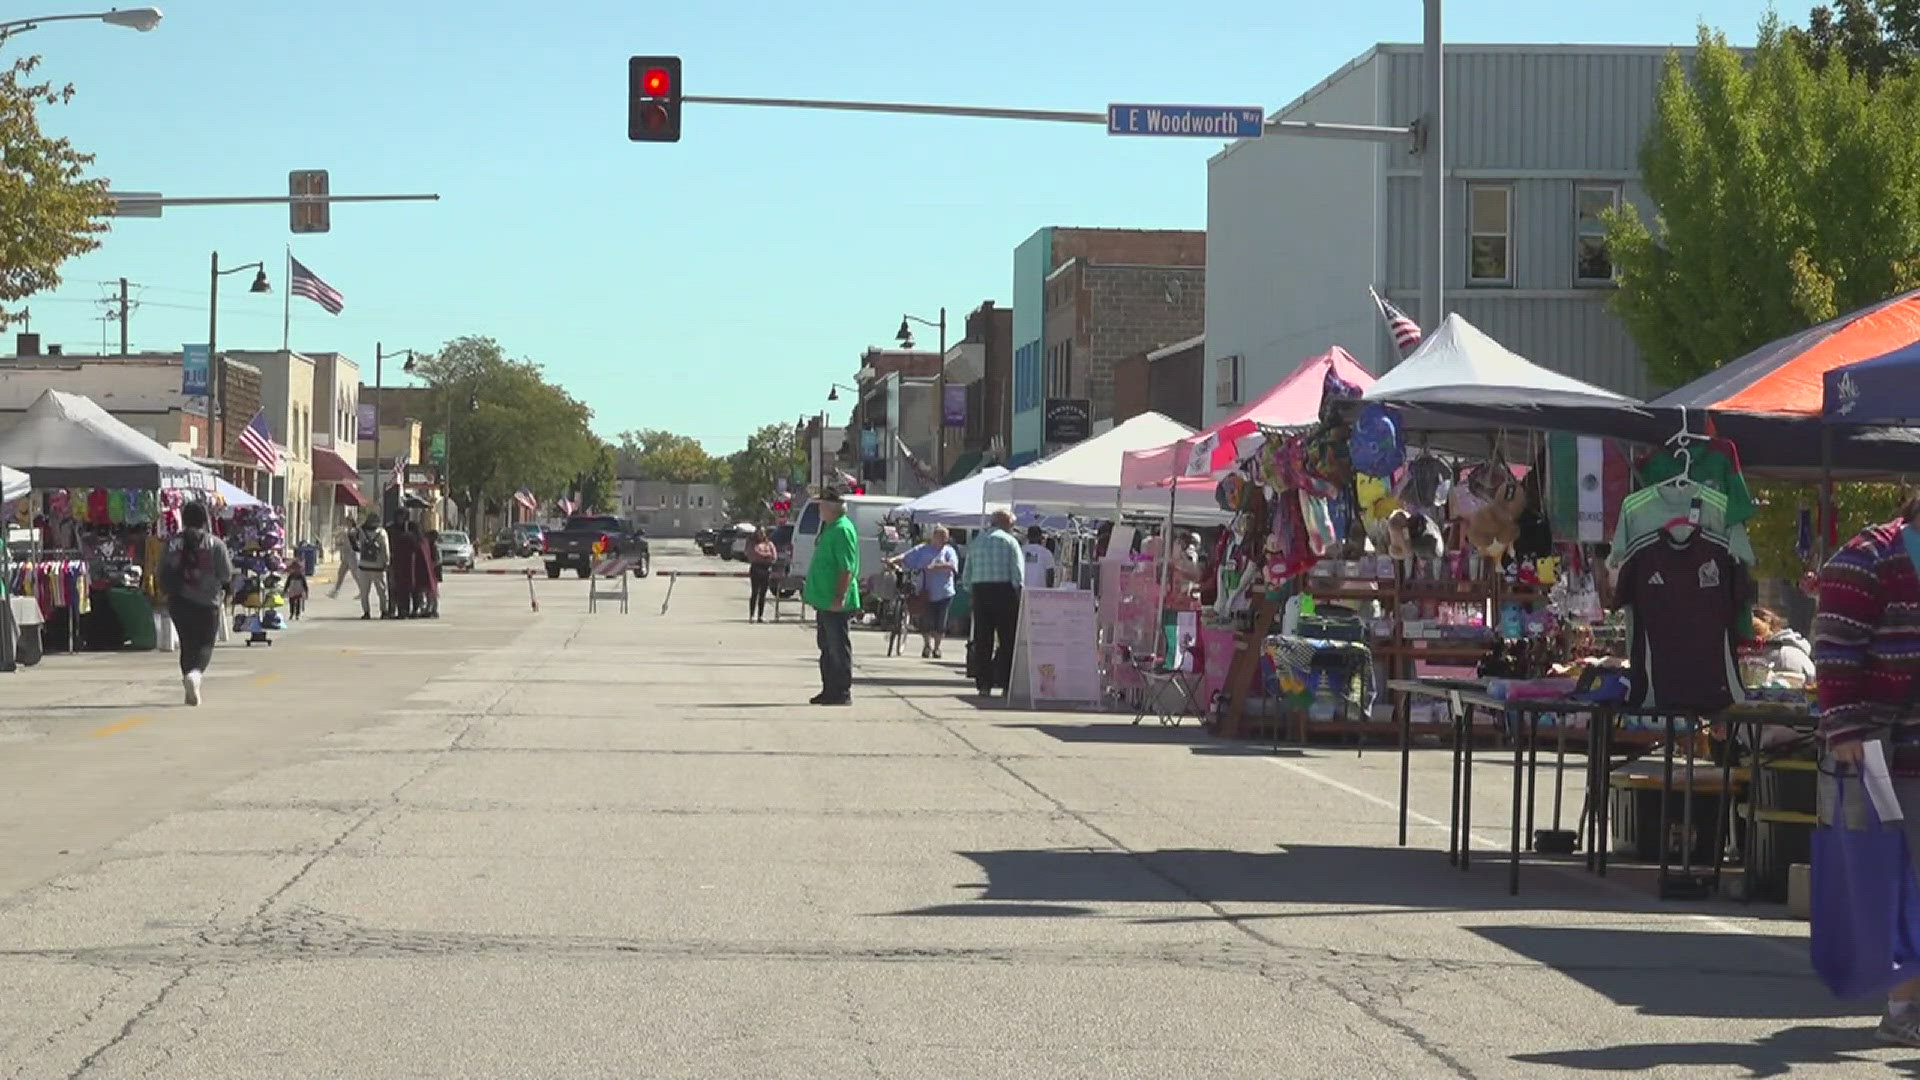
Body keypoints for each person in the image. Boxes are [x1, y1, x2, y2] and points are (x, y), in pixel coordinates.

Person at [1813, 495, 1920, 1045]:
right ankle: (1903, 1010)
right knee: (1897, 877)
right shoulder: (1868, 558)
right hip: (1882, 747)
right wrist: (1847, 728)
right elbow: (1834, 646)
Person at [159, 502, 233, 706]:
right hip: (207, 603)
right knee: (205, 644)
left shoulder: (172, 543)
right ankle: (195, 675)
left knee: (187, 644)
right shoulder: (215, 544)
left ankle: (188, 680)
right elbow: (226, 574)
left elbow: (161, 572)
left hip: (178, 601)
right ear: (205, 519)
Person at [802, 489, 860, 705]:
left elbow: (846, 568)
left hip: (836, 601)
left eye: (822, 505)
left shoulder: (842, 530)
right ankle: (829, 689)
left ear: (831, 508)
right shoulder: (829, 527)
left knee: (838, 647)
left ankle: (842, 691)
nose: (819, 509)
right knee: (826, 646)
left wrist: (839, 596)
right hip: (824, 599)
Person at [964, 510, 1026, 697]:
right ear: (1007, 524)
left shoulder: (976, 542)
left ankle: (984, 684)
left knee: (983, 639)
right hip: (1004, 592)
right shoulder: (1010, 542)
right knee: (1007, 640)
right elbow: (1017, 573)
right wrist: (1018, 590)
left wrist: (972, 590)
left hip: (980, 591)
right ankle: (1006, 684)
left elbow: (967, 574)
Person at [889, 524, 960, 659]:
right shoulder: (923, 549)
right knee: (926, 621)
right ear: (934, 537)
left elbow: (952, 565)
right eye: (940, 537)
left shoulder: (949, 551)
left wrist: (936, 566)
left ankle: (937, 648)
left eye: (945, 537)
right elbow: (906, 556)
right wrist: (892, 560)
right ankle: (927, 645)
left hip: (944, 592)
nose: (943, 540)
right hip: (925, 591)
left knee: (940, 623)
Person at [353, 515, 390, 620]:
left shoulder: (361, 532)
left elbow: (355, 544)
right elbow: (385, 549)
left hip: (364, 566)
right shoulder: (381, 533)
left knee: (364, 592)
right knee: (382, 591)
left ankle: (366, 612)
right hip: (378, 567)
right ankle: (384, 611)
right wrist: (387, 562)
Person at [746, 527, 778, 622]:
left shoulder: (769, 544)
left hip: (766, 569)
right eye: (759, 533)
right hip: (756, 568)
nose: (761, 535)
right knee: (755, 592)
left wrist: (765, 555)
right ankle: (751, 615)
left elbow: (774, 556)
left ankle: (760, 616)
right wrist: (766, 555)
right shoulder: (752, 544)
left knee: (763, 594)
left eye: (763, 533)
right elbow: (753, 554)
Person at [329, 520, 359, 600]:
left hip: (352, 557)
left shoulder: (352, 532)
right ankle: (335, 592)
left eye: (348, 522)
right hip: (346, 557)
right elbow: (341, 543)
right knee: (341, 574)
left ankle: (362, 591)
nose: (346, 524)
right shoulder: (346, 532)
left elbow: (347, 543)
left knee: (356, 575)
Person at [1022, 525, 1057, 590]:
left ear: (1028, 536)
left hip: (1023, 591)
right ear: (1040, 537)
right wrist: (1049, 590)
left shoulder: (1021, 551)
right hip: (1040, 592)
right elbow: (1050, 574)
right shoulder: (1046, 553)